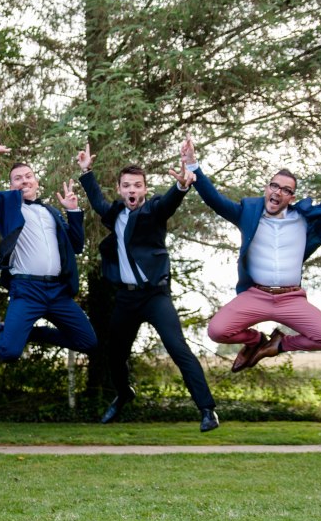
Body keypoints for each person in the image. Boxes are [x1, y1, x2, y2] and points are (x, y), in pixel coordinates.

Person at [183, 138, 321, 372]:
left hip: (291, 298)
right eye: (274, 186)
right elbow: (214, 200)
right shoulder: (247, 214)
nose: (278, 192)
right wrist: (193, 164)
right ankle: (256, 341)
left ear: (292, 197)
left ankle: (279, 344)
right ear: (267, 189)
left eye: (286, 190)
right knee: (217, 331)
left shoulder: (304, 220)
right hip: (256, 295)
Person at [77, 143, 220, 432]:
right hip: (126, 298)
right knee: (115, 354)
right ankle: (124, 393)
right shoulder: (116, 213)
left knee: (178, 348)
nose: (132, 190)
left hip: (155, 295)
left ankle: (207, 410)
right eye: (127, 186)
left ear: (144, 189)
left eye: (137, 185)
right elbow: (98, 202)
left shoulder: (154, 210)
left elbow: (168, 204)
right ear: (120, 189)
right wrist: (87, 172)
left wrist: (181, 187)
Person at [0, 135, 98, 364]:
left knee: (88, 342)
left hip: (58, 291)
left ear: (36, 181)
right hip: (26, 290)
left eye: (28, 176)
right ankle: (4, 333)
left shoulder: (52, 212)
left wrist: (72, 211)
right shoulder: (6, 206)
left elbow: (76, 246)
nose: (24, 181)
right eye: (18, 178)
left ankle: (29, 333)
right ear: (11, 186)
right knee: (9, 353)